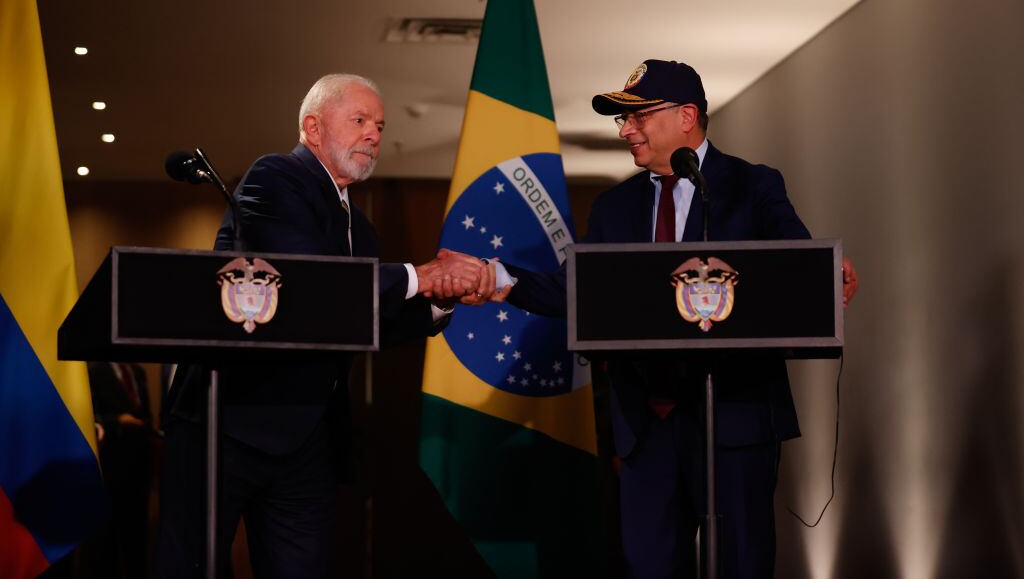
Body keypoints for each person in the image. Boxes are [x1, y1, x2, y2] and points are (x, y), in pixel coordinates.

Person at [451, 59, 858, 579]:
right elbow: (574, 288)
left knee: (741, 562)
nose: (625, 130)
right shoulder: (615, 206)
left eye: (638, 116)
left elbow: (793, 262)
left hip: (734, 416)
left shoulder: (751, 186)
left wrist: (823, 275)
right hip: (648, 426)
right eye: (622, 119)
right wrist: (498, 279)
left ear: (687, 116)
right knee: (648, 566)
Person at [155, 73, 489, 578]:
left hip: (307, 437)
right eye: (359, 120)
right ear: (313, 127)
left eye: (379, 124)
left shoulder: (363, 225)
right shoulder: (274, 178)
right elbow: (307, 283)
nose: (374, 134)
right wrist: (421, 276)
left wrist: (443, 298)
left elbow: (365, 316)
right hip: (226, 424)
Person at [88, 361, 156, 578]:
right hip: (108, 469)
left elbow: (145, 415)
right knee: (105, 546)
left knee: (136, 542)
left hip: (138, 470)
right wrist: (116, 420)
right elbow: (89, 417)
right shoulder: (94, 370)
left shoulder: (136, 371)